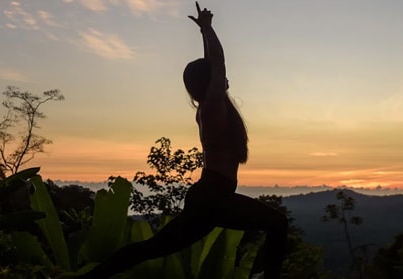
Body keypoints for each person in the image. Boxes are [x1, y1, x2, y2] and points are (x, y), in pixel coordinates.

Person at [78, 2, 288, 278]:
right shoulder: (212, 108)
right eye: (216, 76)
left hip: (213, 197)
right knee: (277, 223)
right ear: (210, 81)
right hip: (212, 197)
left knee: (152, 248)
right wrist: (208, 29)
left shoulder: (213, 106)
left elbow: (212, 65)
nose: (224, 77)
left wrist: (203, 32)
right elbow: (218, 62)